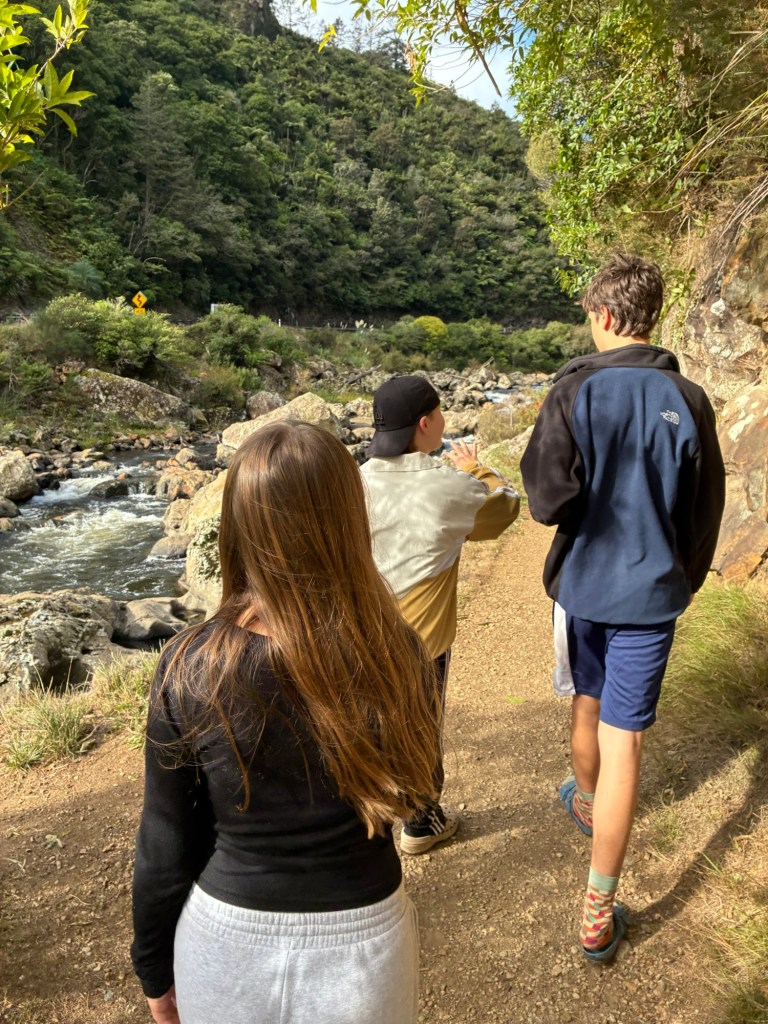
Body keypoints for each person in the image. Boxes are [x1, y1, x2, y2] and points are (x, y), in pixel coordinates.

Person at [131, 421, 441, 1024]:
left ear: (238, 525)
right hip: (365, 941)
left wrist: (154, 970)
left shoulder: (193, 662)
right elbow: (422, 786)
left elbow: (165, 844)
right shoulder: (396, 650)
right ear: (350, 520)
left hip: (224, 941)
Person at [520, 254, 725, 963]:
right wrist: (684, 580)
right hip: (652, 595)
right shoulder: (689, 398)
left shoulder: (572, 389)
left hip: (583, 589)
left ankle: (586, 801)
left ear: (605, 315)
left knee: (587, 700)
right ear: (651, 315)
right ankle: (597, 913)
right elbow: (705, 509)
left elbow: (546, 500)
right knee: (625, 740)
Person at [361, 375, 520, 855]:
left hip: (357, 629)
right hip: (419, 640)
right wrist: (477, 468)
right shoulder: (447, 486)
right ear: (426, 423)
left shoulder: (354, 479)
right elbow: (504, 510)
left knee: (366, 724)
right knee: (419, 723)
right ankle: (421, 821)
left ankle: (364, 827)